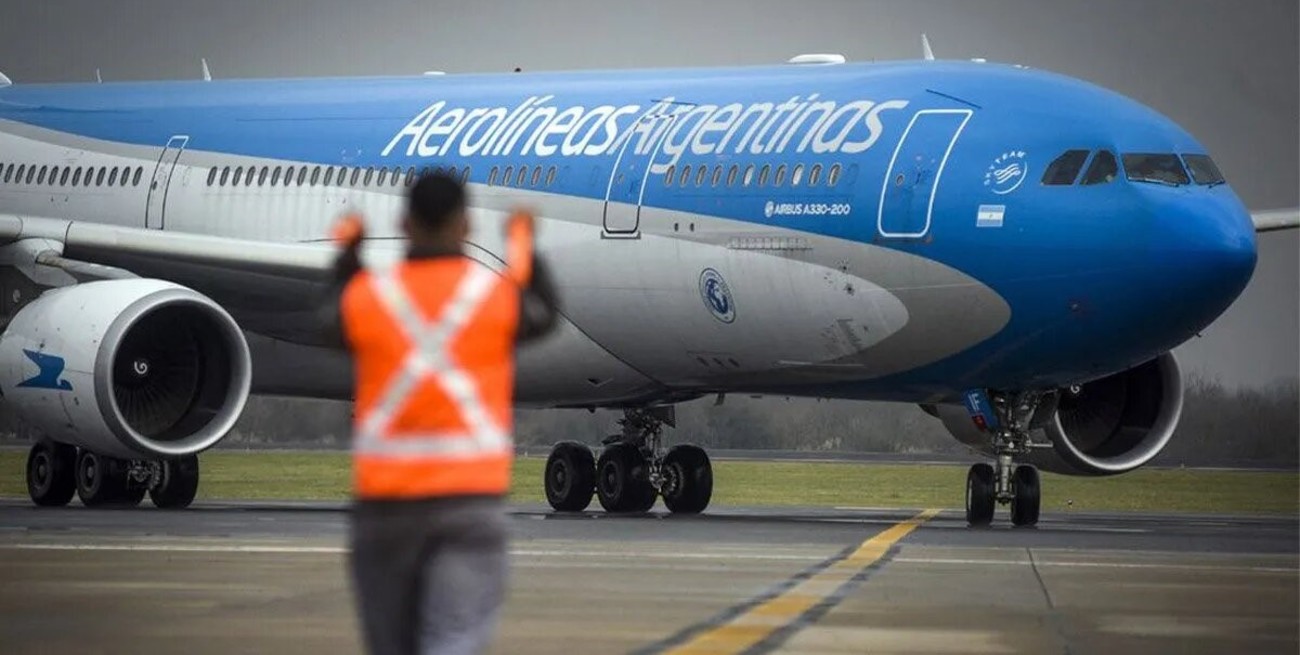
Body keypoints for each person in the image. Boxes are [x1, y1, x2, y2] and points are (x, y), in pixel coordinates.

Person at [321, 171, 559, 655]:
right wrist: (524, 244)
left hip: (387, 508)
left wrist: (347, 254)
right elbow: (543, 311)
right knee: (453, 639)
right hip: (470, 504)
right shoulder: (492, 296)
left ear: (404, 224)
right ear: (466, 225)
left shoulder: (371, 295)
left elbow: (328, 318)